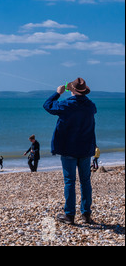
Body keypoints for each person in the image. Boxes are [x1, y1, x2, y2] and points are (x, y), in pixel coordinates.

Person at [43, 77, 97, 225]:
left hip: (68, 149)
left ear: (72, 90)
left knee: (70, 182)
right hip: (85, 149)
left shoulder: (67, 105)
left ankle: (70, 215)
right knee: (85, 182)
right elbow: (92, 110)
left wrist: (57, 93)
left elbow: (47, 106)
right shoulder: (91, 106)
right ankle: (86, 214)